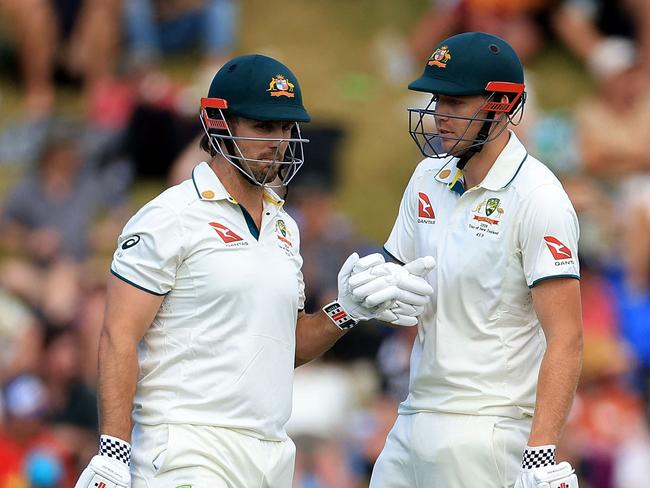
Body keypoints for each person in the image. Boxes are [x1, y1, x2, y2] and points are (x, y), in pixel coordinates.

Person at [73, 53, 435, 488]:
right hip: (187, 448)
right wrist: (114, 451)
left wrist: (347, 310)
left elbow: (286, 346)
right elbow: (118, 335)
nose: (279, 142)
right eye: (263, 127)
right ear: (218, 123)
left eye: (286, 128)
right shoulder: (169, 216)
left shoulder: (284, 226)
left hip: (269, 454)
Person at [369, 32, 584, 488]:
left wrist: (540, 454)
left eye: (454, 103)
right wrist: (365, 293)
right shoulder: (427, 176)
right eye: (436, 100)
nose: (438, 117)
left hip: (487, 428)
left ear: (501, 105)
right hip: (412, 417)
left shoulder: (538, 198)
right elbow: (395, 279)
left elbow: (566, 337)